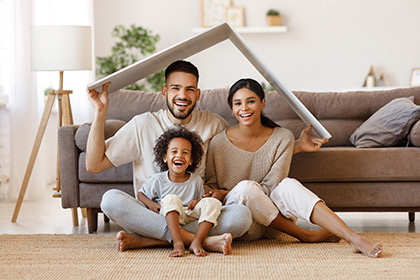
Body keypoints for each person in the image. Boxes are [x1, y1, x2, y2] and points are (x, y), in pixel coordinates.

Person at [86, 60, 325, 252]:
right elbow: (94, 164)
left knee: (241, 216)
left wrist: (294, 146)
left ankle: (154, 240)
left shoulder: (213, 124)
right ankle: (200, 241)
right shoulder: (142, 125)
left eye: (190, 89)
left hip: (197, 215)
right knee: (110, 201)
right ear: (164, 91)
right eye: (176, 88)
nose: (183, 95)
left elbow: (249, 148)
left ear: (198, 94)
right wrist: (100, 112)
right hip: (154, 214)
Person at [205, 78, 383, 258]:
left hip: (275, 224)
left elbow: (273, 187)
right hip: (244, 221)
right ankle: (305, 234)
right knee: (245, 188)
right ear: (232, 108)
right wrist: (223, 195)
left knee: (287, 185)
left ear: (262, 103)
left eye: (251, 101)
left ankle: (352, 237)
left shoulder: (282, 137)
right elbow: (210, 187)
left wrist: (228, 192)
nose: (244, 108)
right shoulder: (218, 142)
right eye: (238, 103)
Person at [138, 126, 230, 257]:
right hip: (170, 216)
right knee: (171, 198)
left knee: (212, 202)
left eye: (185, 153)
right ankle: (178, 242)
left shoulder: (196, 180)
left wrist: (197, 202)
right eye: (174, 151)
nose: (179, 155)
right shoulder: (157, 180)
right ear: (165, 157)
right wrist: (151, 204)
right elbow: (140, 194)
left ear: (191, 160)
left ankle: (196, 241)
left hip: (190, 217)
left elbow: (200, 204)